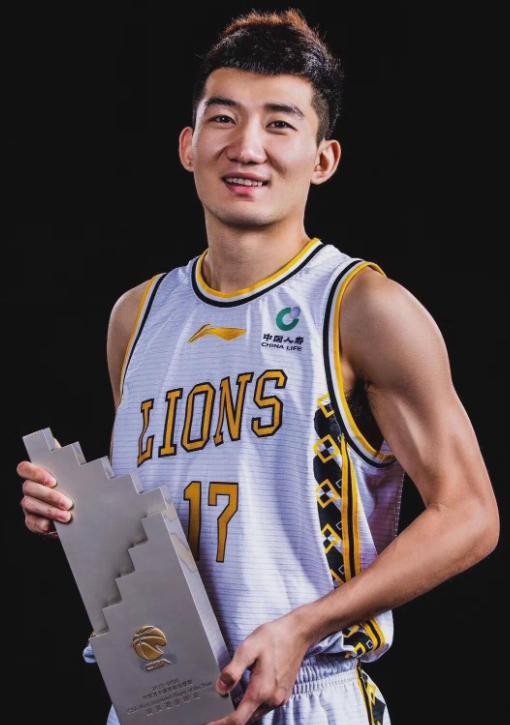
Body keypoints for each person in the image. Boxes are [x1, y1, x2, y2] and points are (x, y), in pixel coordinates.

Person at [17, 8, 499, 725]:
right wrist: (77, 515)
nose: (246, 147)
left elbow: (471, 515)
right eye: (223, 118)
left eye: (279, 123)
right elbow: (171, 498)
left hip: (306, 692)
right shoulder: (136, 316)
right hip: (159, 696)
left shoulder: (360, 307)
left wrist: (305, 625)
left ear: (322, 159)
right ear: (188, 145)